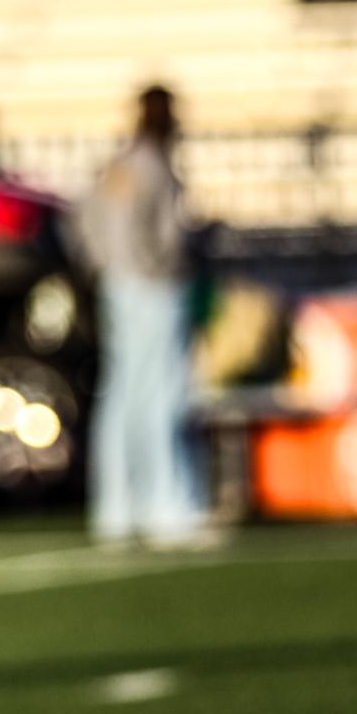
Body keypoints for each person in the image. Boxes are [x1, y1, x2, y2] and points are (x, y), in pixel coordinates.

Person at [75, 84, 204, 545]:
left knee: (123, 394)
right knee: (162, 396)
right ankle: (169, 506)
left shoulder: (119, 165)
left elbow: (85, 221)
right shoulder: (153, 167)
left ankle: (117, 508)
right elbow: (168, 238)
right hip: (154, 288)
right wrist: (158, 265)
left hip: (119, 286)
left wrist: (104, 266)